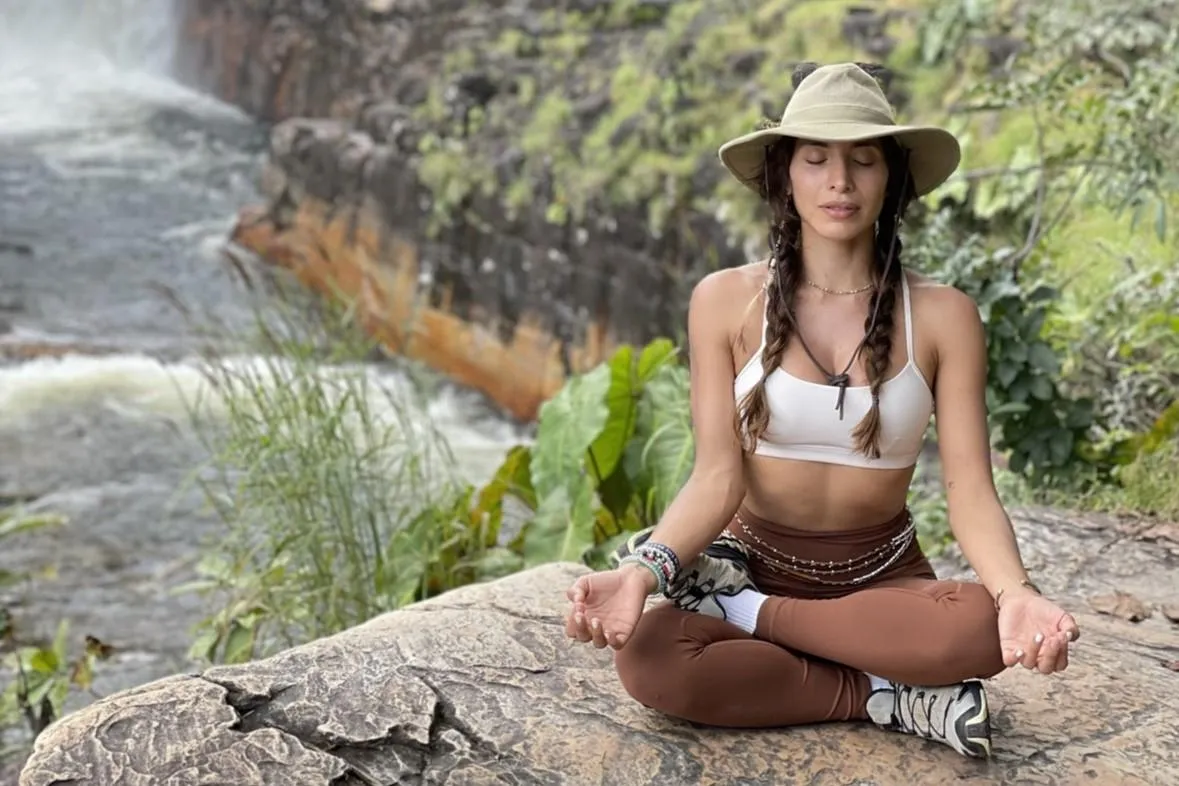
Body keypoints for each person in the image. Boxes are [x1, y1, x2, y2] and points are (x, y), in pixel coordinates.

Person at [562, 61, 1080, 759]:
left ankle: (745, 619)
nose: (839, 182)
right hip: (755, 560)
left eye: (862, 160)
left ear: (891, 178)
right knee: (652, 659)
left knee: (976, 629)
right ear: (784, 174)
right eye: (815, 159)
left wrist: (1015, 592)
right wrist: (641, 574)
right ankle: (884, 692)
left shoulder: (942, 316)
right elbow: (717, 476)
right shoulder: (723, 301)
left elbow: (968, 489)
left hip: (880, 577)